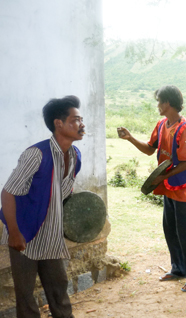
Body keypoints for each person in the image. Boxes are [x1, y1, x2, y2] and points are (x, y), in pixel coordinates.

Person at [0, 96, 84, 318]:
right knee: (26, 295)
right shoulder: (35, 154)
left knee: (59, 288)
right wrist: (15, 233)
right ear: (59, 123)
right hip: (24, 234)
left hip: (51, 234)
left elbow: (62, 192)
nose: (81, 125)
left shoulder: (75, 156)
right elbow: (7, 193)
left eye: (81, 119)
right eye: (75, 120)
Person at [118, 85, 186, 292]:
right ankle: (179, 269)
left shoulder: (185, 129)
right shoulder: (161, 124)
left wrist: (162, 176)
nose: (157, 105)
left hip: (183, 188)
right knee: (171, 229)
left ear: (168, 103)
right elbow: (150, 150)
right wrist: (130, 138)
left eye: (159, 101)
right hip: (168, 186)